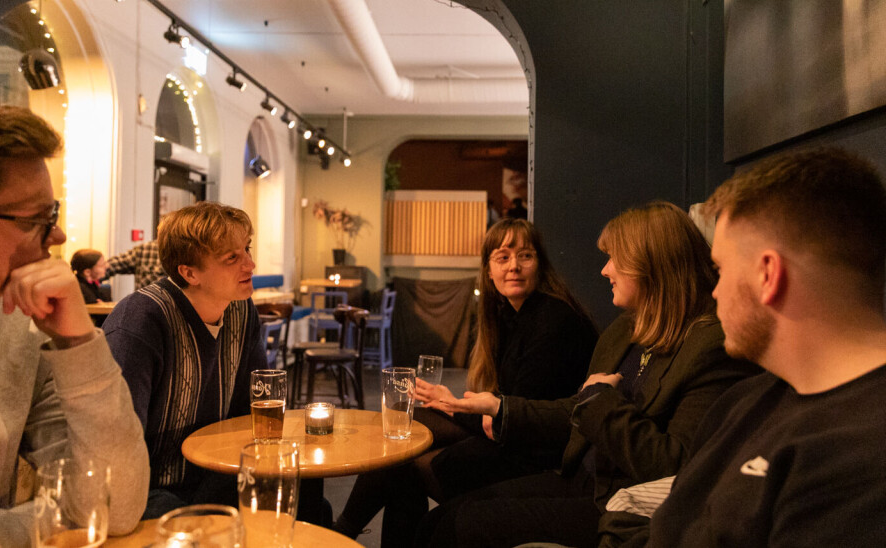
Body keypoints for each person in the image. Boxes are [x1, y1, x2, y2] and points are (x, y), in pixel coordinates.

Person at [417, 201, 757, 548]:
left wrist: (601, 402)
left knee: (461, 522)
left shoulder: (709, 347)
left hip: (619, 504)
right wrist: (501, 408)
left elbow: (676, 466)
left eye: (615, 260)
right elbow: (576, 408)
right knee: (438, 520)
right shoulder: (627, 328)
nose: (605, 270)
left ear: (652, 264)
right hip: (581, 477)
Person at [628, 148, 886, 547]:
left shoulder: (866, 459)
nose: (714, 291)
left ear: (768, 274)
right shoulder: (745, 402)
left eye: (720, 269)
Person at [0, 96, 148, 545]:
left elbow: (109, 509)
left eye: (55, 213)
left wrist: (80, 342)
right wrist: (23, 528)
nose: (59, 235)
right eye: (36, 219)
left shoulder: (24, 327)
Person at [334, 218, 599, 547]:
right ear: (489, 270)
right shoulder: (513, 314)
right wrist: (456, 404)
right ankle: (341, 532)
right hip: (512, 435)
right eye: (502, 257)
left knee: (404, 467)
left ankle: (339, 533)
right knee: (405, 428)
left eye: (525, 256)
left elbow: (515, 419)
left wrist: (457, 406)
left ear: (540, 265)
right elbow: (502, 408)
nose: (513, 266)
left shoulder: (553, 321)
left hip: (537, 454)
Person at [102, 201, 267, 519]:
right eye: (232, 258)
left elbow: (254, 405)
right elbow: (117, 441)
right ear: (189, 273)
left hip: (218, 471)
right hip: (146, 489)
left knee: (303, 491)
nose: (251, 264)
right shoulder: (141, 319)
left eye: (246, 249)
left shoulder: (242, 311)